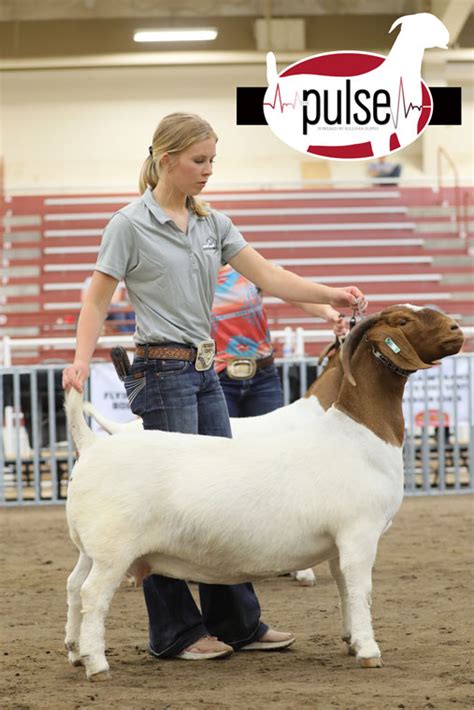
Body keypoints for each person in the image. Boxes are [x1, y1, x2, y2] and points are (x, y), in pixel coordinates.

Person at [62, 112, 367, 663]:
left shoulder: (211, 222)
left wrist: (332, 295)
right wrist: (80, 360)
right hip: (161, 372)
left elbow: (269, 275)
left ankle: (236, 622)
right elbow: (96, 299)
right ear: (165, 160)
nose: (207, 171)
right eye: (199, 161)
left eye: (212, 161)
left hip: (207, 374)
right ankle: (174, 633)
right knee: (165, 505)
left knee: (221, 501)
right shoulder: (128, 224)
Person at [212, 264, 348, 417]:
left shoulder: (245, 267)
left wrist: (329, 313)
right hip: (217, 379)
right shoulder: (193, 280)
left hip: (262, 377)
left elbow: (291, 292)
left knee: (269, 440)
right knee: (223, 440)